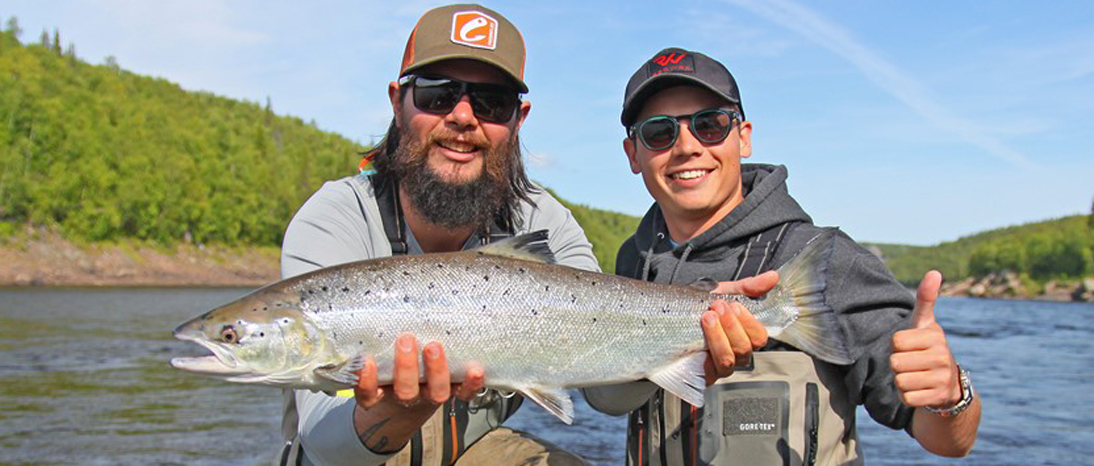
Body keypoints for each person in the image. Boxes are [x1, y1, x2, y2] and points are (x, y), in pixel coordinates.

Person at [583, 48, 982, 465]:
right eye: (659, 133)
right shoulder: (635, 260)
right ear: (633, 154)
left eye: (710, 125)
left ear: (744, 137)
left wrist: (951, 395)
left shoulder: (825, 261)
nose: (687, 146)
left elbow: (951, 442)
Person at [275, 4, 600, 465]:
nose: (463, 116)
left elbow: (613, 395)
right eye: (438, 94)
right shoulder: (335, 218)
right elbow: (326, 445)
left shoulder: (544, 222)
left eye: (491, 102)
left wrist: (701, 326)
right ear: (397, 102)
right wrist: (396, 409)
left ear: (518, 119)